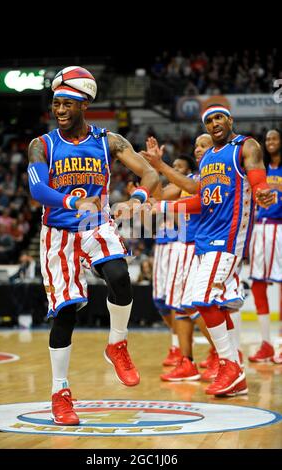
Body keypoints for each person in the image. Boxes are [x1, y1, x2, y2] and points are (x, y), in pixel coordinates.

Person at [27, 66, 159, 425]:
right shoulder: (42, 144)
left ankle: (117, 343)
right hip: (57, 230)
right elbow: (38, 190)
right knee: (66, 312)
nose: (59, 110)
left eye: (67, 103)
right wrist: (71, 203)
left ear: (84, 104)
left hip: (94, 223)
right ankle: (60, 393)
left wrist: (141, 195)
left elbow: (149, 172)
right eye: (56, 103)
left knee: (119, 275)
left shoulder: (108, 141)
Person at [152, 104, 275, 396]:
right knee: (215, 304)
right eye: (208, 120)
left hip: (229, 237)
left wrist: (263, 192)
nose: (214, 123)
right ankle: (234, 371)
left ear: (230, 120)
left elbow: (257, 181)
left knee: (201, 298)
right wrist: (161, 207)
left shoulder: (246, 146)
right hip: (205, 240)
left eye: (219, 117)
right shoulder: (208, 157)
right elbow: (201, 202)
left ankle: (230, 365)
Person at [142, 138, 216, 382]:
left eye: (203, 145)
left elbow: (189, 195)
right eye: (196, 145)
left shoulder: (202, 178)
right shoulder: (191, 180)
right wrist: (153, 167)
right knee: (180, 306)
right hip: (186, 247)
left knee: (196, 306)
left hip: (201, 246)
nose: (198, 148)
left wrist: (160, 166)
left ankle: (223, 353)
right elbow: (161, 195)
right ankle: (188, 362)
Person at [249, 129, 282, 363]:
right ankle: (267, 343)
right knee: (258, 285)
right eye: (267, 138)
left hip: (279, 228)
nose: (270, 141)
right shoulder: (258, 170)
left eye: (275, 138)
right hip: (258, 229)